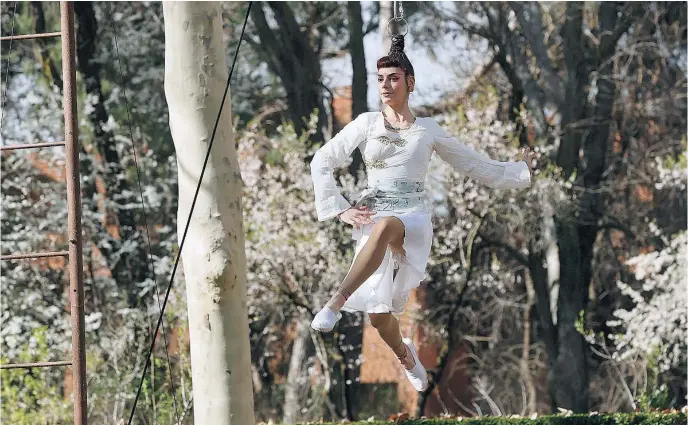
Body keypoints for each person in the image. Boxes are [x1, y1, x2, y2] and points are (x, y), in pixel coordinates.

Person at [308, 34, 536, 392]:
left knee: (387, 226)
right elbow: (322, 160)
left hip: (412, 218)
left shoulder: (428, 130)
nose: (385, 85)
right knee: (379, 317)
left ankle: (335, 302)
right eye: (380, 79)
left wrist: (520, 171)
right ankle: (405, 355)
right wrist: (340, 209)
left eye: (393, 78)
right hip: (373, 216)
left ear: (410, 83)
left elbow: (474, 165)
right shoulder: (366, 124)